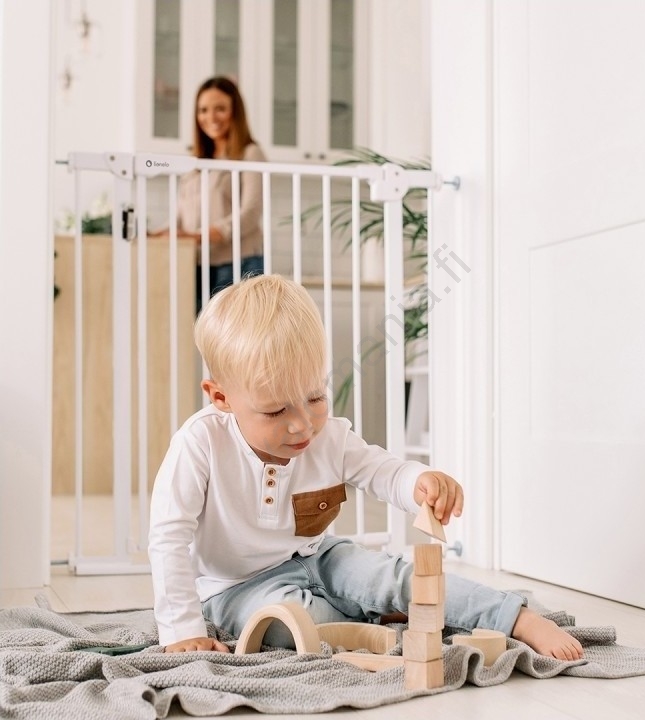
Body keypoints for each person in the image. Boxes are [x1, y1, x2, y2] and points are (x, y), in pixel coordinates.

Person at [148, 274, 585, 662]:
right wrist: (182, 629)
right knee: (297, 626)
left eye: (316, 397)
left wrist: (420, 481)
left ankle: (514, 617)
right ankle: (378, 612)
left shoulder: (329, 437)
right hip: (235, 586)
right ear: (221, 398)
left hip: (319, 557)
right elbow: (169, 537)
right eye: (276, 410)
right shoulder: (199, 444)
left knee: (397, 577)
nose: (302, 424)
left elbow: (383, 471)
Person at [151, 76, 266, 312]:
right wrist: (154, 235)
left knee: (233, 334)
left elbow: (251, 213)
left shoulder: (250, 154)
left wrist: (199, 236)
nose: (210, 117)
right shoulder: (194, 163)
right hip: (196, 264)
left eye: (220, 109)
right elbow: (181, 217)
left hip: (238, 263)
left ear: (235, 112)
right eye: (203, 110)